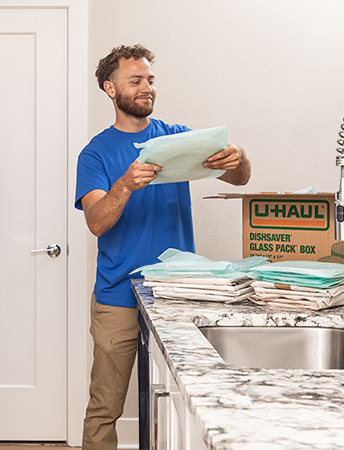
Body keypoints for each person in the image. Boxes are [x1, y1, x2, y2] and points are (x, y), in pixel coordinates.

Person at [75, 44, 251, 450]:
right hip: (117, 297)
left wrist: (238, 157)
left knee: (180, 401)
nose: (146, 88)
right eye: (135, 80)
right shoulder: (95, 154)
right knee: (104, 408)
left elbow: (239, 178)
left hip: (177, 296)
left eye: (150, 80)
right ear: (109, 88)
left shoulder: (178, 138)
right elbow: (96, 222)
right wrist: (125, 184)